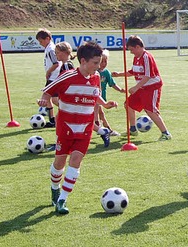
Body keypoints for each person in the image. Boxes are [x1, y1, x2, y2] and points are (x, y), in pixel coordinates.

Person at [38, 41, 118, 214]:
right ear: (83, 61)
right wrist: (45, 100)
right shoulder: (67, 76)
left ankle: (62, 200)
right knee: (59, 163)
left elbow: (95, 95)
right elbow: (47, 91)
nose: (98, 67)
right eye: (95, 63)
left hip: (85, 129)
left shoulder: (96, 77)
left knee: (75, 161)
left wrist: (106, 104)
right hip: (66, 127)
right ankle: (55, 187)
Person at [112, 35, 172, 141]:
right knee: (129, 105)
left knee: (150, 110)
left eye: (131, 50)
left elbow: (148, 75)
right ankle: (133, 129)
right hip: (142, 87)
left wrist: (136, 87)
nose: (131, 52)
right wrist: (119, 74)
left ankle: (166, 133)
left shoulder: (147, 57)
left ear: (138, 47)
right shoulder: (136, 58)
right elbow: (133, 72)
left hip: (152, 87)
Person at [96, 49, 125, 137]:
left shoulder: (106, 72)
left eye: (106, 61)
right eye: (102, 61)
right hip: (95, 97)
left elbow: (112, 84)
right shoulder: (94, 72)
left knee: (98, 113)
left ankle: (98, 128)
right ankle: (108, 129)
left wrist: (120, 90)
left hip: (102, 97)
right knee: (100, 113)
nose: (104, 63)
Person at [35, 28, 59, 128]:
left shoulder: (50, 49)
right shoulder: (49, 48)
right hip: (52, 77)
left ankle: (70, 110)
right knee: (48, 99)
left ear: (48, 38)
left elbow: (56, 63)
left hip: (54, 78)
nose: (40, 43)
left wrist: (48, 71)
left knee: (52, 99)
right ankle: (52, 120)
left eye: (41, 41)